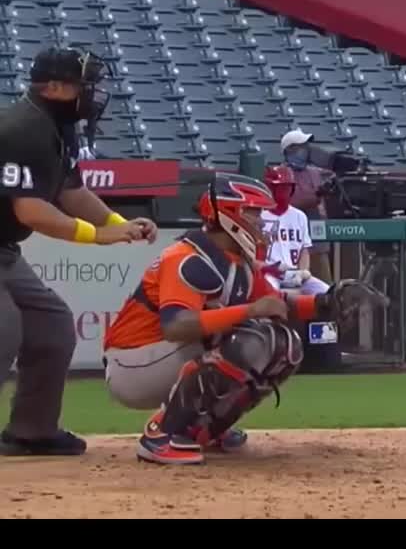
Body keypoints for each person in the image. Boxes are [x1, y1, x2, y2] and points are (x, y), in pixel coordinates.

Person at [102, 172, 383, 465]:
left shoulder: (240, 262)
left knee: (286, 346)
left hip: (160, 356)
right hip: (132, 363)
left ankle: (203, 429)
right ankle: (162, 435)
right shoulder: (187, 257)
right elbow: (175, 326)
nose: (260, 221)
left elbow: (276, 304)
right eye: (254, 212)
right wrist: (249, 311)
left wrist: (325, 303)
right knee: (254, 339)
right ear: (229, 214)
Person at [0, 47, 157, 457]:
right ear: (52, 87)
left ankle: (32, 431)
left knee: (52, 326)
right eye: (82, 86)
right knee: (3, 329)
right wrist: (95, 236)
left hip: (3, 249)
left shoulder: (57, 127)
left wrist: (116, 224)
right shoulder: (20, 127)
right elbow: (30, 209)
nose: (91, 95)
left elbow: (71, 192)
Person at [260, 165, 330, 296]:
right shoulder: (260, 216)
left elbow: (304, 250)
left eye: (287, 187)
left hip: (294, 273)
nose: (284, 192)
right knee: (275, 295)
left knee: (327, 293)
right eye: (280, 187)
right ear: (270, 188)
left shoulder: (299, 216)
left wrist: (303, 272)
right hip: (269, 274)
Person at [280, 129, 334, 284]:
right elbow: (292, 201)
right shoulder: (282, 173)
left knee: (323, 285)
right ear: (289, 150)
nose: (304, 151)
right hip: (292, 242)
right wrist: (318, 194)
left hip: (317, 241)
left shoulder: (314, 172)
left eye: (305, 147)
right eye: (300, 147)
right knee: (294, 287)